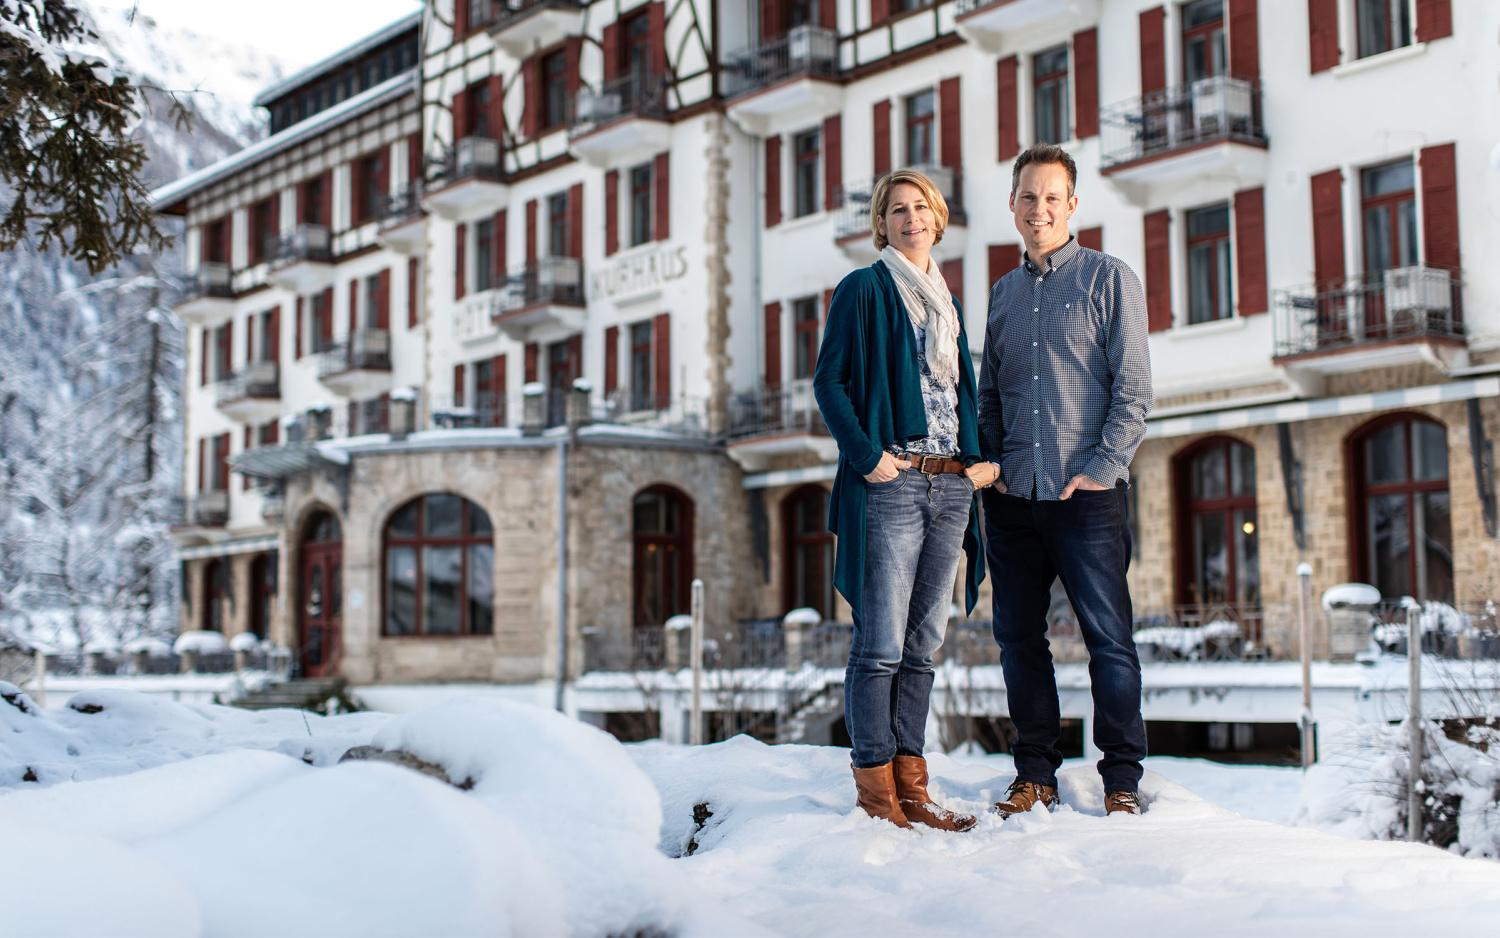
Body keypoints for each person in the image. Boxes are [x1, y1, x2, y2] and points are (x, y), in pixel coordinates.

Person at [813, 168, 1002, 831]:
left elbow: (961, 396)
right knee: (881, 646)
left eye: (920, 207)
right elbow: (829, 381)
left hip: (950, 484)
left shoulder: (945, 301)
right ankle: (876, 797)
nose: (911, 217)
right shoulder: (864, 288)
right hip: (894, 480)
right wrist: (868, 459)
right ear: (882, 223)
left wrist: (976, 463)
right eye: (897, 209)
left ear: (938, 217)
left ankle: (912, 790)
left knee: (924, 645)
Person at [978, 144, 1153, 817]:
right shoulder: (1002, 293)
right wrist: (992, 467)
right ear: (1014, 207)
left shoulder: (1111, 279)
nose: (1039, 208)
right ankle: (1035, 775)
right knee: (1019, 641)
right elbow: (990, 395)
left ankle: (1122, 781)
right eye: (1028, 197)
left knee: (1109, 640)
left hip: (1088, 497)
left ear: (1073, 206)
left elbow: (1133, 390)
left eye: (1053, 197)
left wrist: (1102, 469)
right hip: (1013, 499)